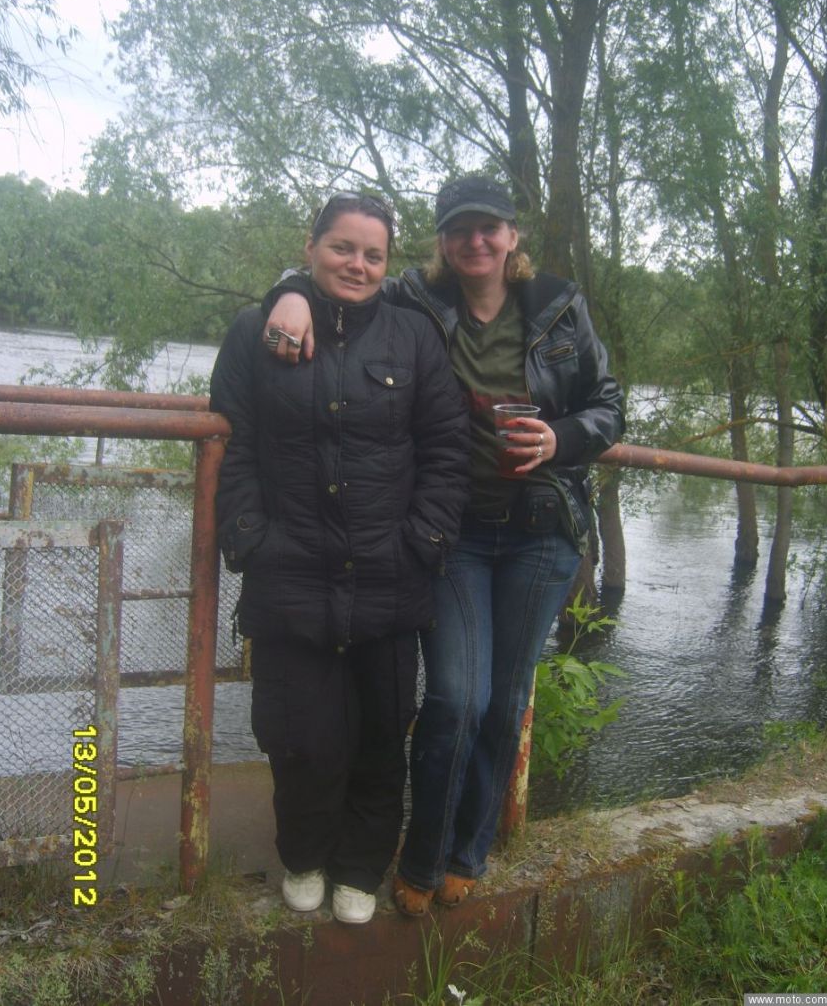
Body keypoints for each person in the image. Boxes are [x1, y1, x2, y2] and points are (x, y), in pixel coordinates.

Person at [262, 175, 624, 916]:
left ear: (513, 237)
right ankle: (421, 857)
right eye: (460, 229)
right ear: (442, 241)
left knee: (505, 702)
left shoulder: (559, 305)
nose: (475, 241)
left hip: (541, 533)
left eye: (490, 227)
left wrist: (560, 437)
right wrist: (290, 290)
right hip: (455, 529)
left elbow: (610, 406)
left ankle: (467, 851)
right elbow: (343, 279)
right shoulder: (415, 298)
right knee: (457, 697)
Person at [210, 192, 469, 925]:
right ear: (311, 247)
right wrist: (251, 537)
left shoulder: (414, 337)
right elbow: (232, 445)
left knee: (382, 736)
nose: (357, 264)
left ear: (387, 264)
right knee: (299, 736)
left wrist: (421, 541)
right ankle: (304, 856)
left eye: (373, 254)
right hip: (290, 575)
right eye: (342, 248)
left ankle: (360, 867)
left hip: (389, 576)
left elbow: (447, 449)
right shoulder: (256, 332)